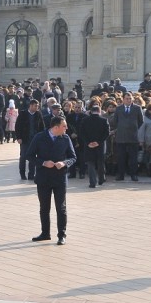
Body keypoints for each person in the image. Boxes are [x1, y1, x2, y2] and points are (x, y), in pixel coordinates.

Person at [27, 115, 76, 245]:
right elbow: (29, 155)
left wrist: (64, 163)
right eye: (64, 126)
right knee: (44, 208)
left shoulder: (65, 138)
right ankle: (45, 233)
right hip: (43, 178)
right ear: (56, 127)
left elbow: (73, 157)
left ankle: (62, 235)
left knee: (61, 208)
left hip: (59, 178)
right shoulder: (39, 137)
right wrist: (43, 162)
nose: (66, 128)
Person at [112, 92, 144, 181]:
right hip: (121, 137)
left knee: (133, 157)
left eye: (130, 98)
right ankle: (121, 175)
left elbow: (141, 121)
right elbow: (115, 121)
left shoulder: (137, 108)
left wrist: (134, 128)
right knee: (121, 157)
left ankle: (133, 174)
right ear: (123, 99)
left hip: (133, 137)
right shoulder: (118, 109)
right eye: (127, 98)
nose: (128, 100)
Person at [77, 104, 110, 188]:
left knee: (90, 163)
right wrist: (98, 142)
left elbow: (81, 133)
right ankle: (101, 179)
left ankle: (92, 182)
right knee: (100, 162)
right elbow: (106, 133)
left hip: (88, 145)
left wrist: (88, 142)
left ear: (90, 111)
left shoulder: (85, 120)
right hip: (100, 145)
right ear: (99, 111)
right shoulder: (104, 120)